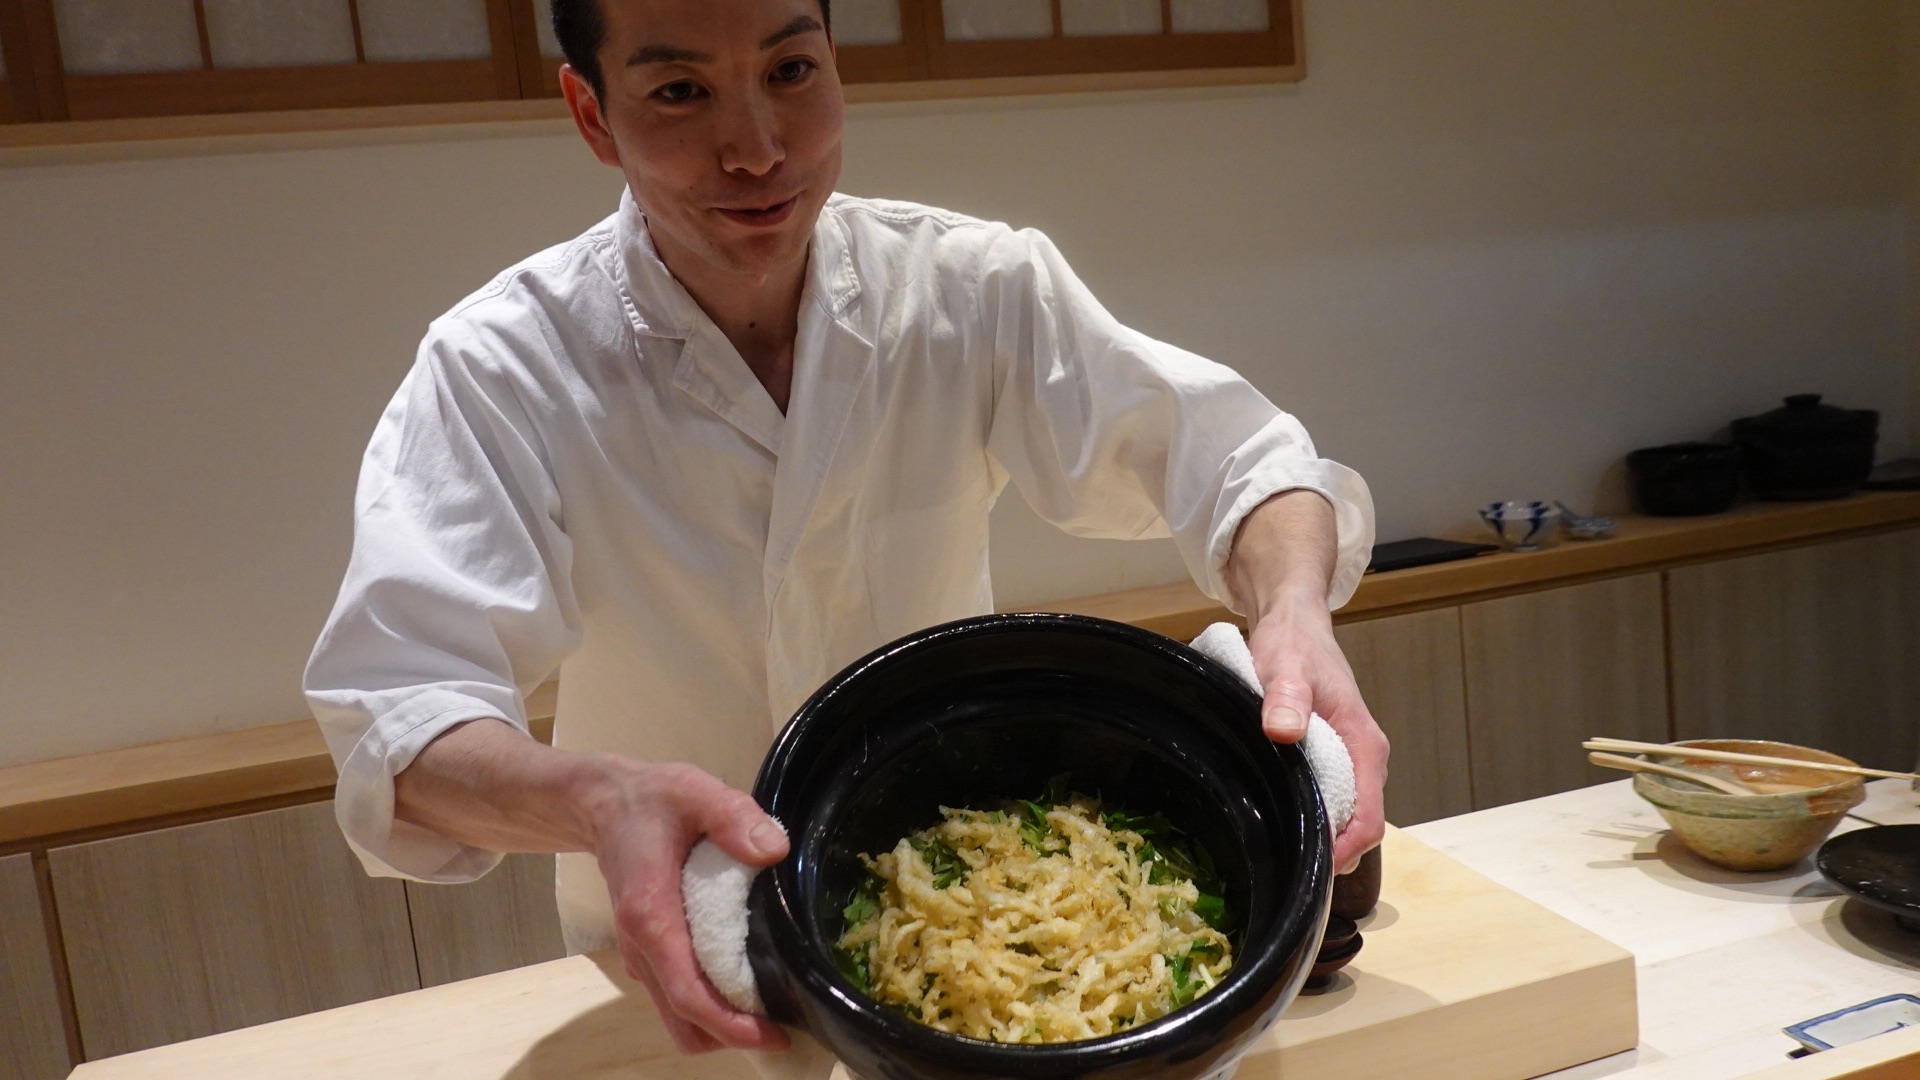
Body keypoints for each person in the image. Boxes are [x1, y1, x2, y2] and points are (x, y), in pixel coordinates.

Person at [304, 0, 1386, 1064]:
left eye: (791, 73)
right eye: (681, 92)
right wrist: (600, 801)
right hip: (682, 972)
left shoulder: (972, 288)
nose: (759, 150)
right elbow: (399, 723)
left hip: (984, 953)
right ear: (593, 116)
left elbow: (1245, 467)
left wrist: (1293, 616)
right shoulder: (503, 365)